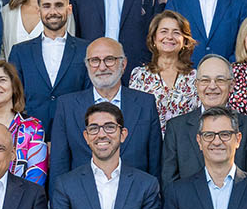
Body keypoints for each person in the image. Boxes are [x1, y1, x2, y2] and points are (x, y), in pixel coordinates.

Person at [49, 37, 164, 177]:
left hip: (136, 196)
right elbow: (59, 166)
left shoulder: (145, 103)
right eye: (95, 60)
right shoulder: (67, 106)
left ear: (123, 64)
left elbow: (155, 163)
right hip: (82, 196)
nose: (102, 67)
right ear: (87, 65)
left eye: (109, 59)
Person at [163, 55, 247, 183]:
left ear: (232, 85)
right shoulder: (176, 128)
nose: (212, 86)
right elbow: (169, 186)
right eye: (205, 80)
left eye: (220, 80)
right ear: (196, 85)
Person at [6, 0, 89, 132]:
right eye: (46, 6)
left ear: (69, 9)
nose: (53, 11)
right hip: (30, 136)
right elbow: (14, 96)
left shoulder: (86, 50)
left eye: (58, 5)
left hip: (74, 132)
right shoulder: (20, 51)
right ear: (38, 11)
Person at [129, 10, 202, 128]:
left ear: (184, 40)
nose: (169, 37)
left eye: (176, 32)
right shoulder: (139, 75)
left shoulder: (196, 77)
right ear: (153, 39)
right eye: (164, 31)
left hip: (185, 143)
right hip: (150, 144)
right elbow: (134, 117)